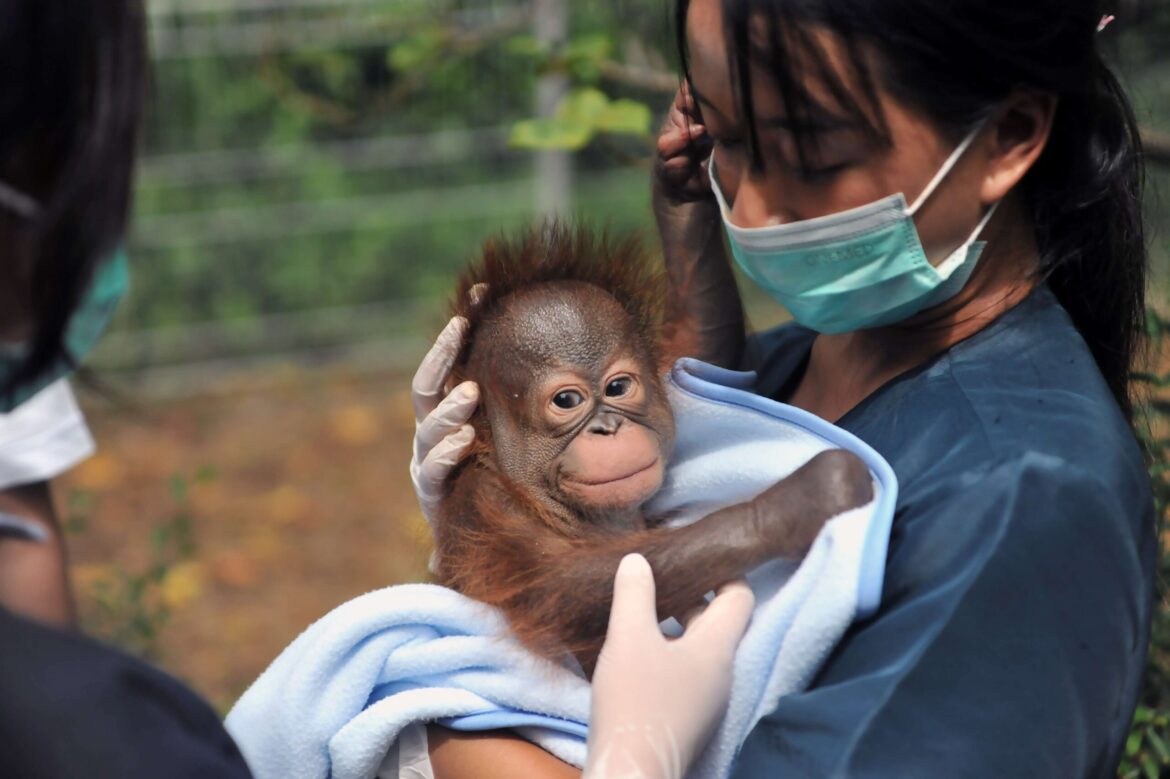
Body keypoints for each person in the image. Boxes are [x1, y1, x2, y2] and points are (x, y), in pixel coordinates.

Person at [1, 4, 750, 777]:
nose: (607, 427)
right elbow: (580, 587)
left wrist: (688, 219)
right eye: (567, 403)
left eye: (618, 388)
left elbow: (699, 374)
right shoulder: (96, 731)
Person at [411, 0, 1156, 776]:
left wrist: (479, 744)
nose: (755, 208)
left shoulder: (1024, 500)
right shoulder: (780, 371)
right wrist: (489, 515)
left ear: (1007, 136)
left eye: (814, 153)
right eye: (728, 139)